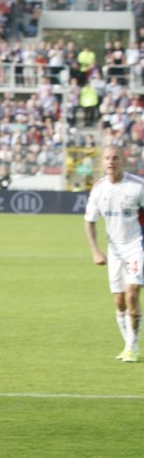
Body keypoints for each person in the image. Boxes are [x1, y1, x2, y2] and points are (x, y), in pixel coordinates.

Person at [84, 146, 144, 363]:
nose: (111, 162)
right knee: (119, 301)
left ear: (123, 161)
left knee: (132, 292)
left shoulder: (137, 187)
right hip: (114, 249)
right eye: (107, 158)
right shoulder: (98, 189)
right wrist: (95, 251)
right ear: (103, 162)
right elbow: (89, 222)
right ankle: (130, 343)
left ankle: (131, 346)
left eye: (115, 158)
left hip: (137, 245)